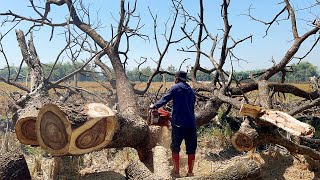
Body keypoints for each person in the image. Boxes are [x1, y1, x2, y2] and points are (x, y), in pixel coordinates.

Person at [150, 71, 197, 177]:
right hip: (191, 125)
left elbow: (165, 99)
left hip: (178, 125)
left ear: (177, 78)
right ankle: (190, 173)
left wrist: (154, 106)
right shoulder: (191, 91)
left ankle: (176, 172)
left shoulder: (176, 88)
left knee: (175, 148)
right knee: (191, 150)